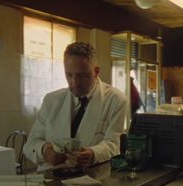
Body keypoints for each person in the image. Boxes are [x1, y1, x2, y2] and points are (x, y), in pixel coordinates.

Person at [23, 42, 128, 171]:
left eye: (82, 75)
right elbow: (30, 144)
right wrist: (43, 150)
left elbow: (114, 144)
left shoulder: (115, 100)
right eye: (69, 75)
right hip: (50, 178)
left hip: (91, 179)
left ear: (96, 71)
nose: (74, 83)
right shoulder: (51, 100)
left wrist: (93, 153)